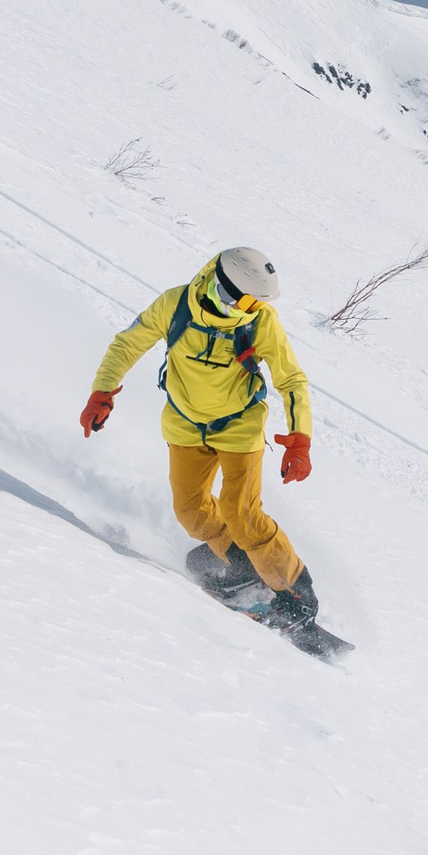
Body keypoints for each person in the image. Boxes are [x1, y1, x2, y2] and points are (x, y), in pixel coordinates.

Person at [80, 246, 320, 636]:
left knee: (241, 512)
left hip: (239, 425)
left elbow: (290, 379)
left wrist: (299, 439)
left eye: (257, 302)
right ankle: (243, 567)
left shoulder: (261, 321)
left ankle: (296, 592)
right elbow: (128, 343)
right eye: (246, 300)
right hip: (185, 424)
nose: (253, 308)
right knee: (191, 512)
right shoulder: (175, 305)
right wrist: (102, 391)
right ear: (224, 289)